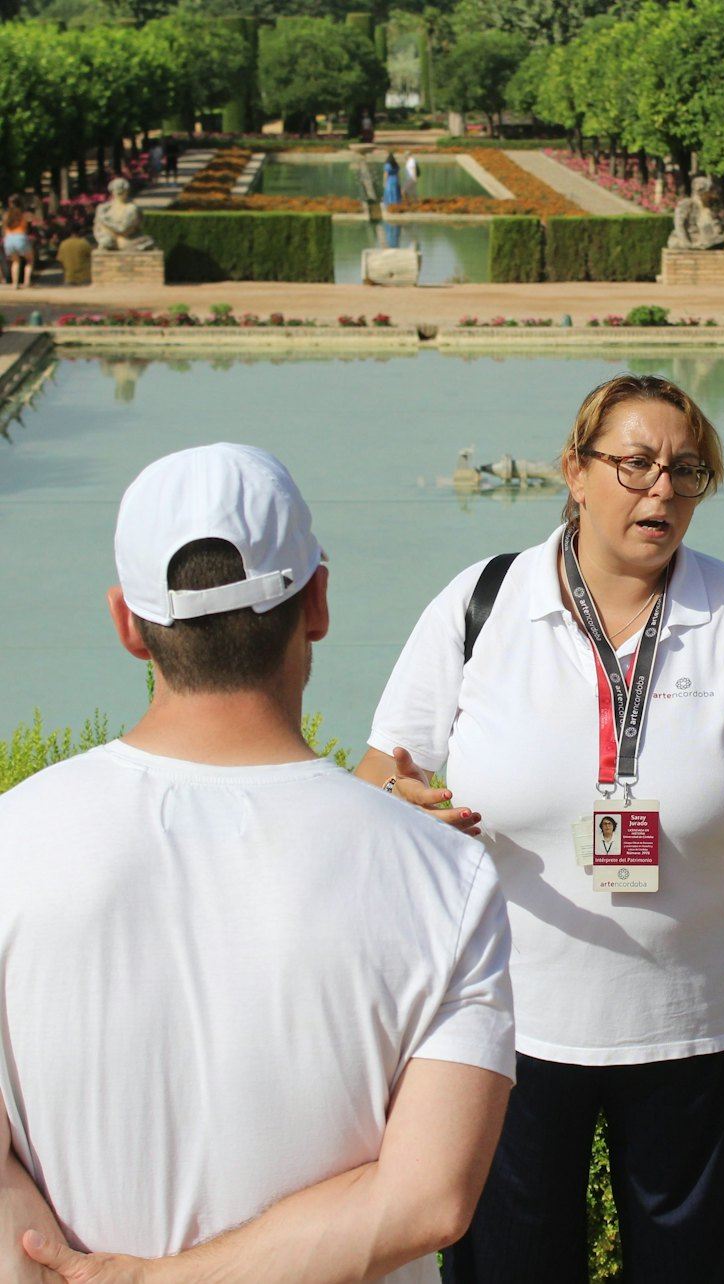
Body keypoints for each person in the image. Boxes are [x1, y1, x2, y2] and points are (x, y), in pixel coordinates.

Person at [357, 373, 724, 1284]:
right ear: (575, 472)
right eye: (634, 464)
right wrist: (404, 808)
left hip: (706, 1027)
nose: (661, 491)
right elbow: (382, 779)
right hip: (507, 1027)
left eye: (687, 470)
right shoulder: (484, 605)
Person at [0, 442, 515, 1284]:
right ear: (316, 601)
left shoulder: (12, 839)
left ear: (127, 625)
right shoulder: (444, 878)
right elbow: (430, 1199)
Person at [4, 196, 38, 288]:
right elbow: (32, 225)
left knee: (15, 262)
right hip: (20, 237)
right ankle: (26, 282)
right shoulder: (25, 214)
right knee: (29, 260)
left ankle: (15, 284)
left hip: (8, 238)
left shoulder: (6, 215)